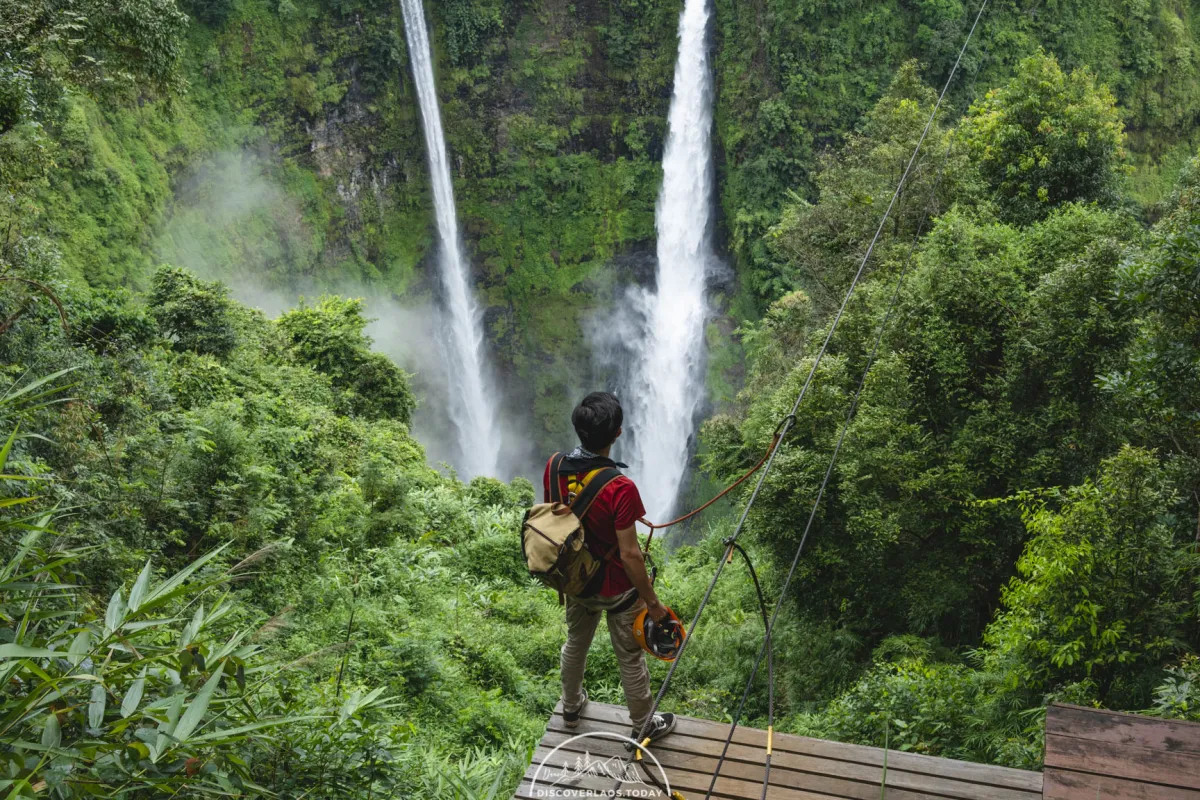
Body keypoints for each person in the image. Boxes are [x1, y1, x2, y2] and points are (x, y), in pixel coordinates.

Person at [544, 391, 677, 743]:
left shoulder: (555, 466)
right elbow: (630, 555)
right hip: (618, 588)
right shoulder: (621, 488)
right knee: (630, 657)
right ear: (618, 433)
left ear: (578, 429)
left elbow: (556, 518)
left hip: (576, 579)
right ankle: (642, 723)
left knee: (576, 641)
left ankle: (571, 706)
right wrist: (653, 603)